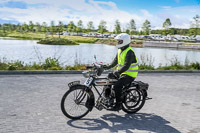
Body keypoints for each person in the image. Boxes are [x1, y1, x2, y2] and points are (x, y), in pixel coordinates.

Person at [103, 33, 139, 111]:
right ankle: (107, 97)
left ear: (125, 41)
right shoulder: (120, 50)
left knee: (117, 86)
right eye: (118, 41)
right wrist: (106, 67)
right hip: (122, 73)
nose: (118, 42)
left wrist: (117, 72)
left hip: (130, 74)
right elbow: (114, 62)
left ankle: (118, 105)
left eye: (119, 41)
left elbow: (126, 65)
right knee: (108, 78)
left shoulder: (129, 52)